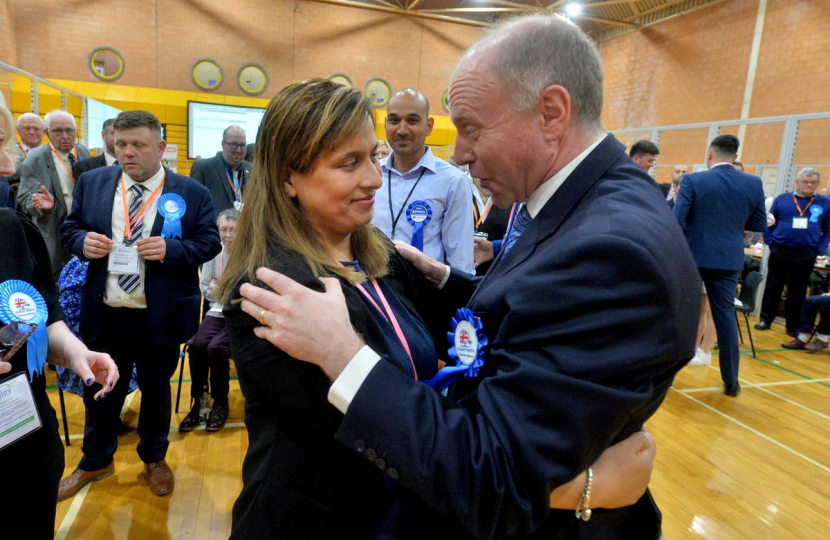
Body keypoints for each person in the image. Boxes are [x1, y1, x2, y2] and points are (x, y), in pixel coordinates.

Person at [237, 15, 700, 540]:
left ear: (552, 113)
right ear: (288, 178)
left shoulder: (608, 246)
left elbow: (484, 461)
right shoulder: (275, 287)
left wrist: (345, 352)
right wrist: (581, 486)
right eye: (350, 163)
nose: (458, 152)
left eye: (473, 128)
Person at [58, 110, 221, 500]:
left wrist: (173, 249)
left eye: (138, 145)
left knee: (156, 389)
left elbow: (210, 242)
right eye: (120, 144)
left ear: (161, 148)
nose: (127, 152)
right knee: (100, 389)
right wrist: (82, 243)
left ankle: (154, 458)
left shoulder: (190, 192)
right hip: (106, 311)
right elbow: (70, 227)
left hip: (160, 314)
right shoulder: (92, 182)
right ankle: (96, 459)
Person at [0, 119, 119, 540]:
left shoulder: (11, 229)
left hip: (23, 433)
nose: (8, 166)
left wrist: (74, 352)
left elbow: (41, 319)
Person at [674, 135, 766, 396]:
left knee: (682, 315)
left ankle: (666, 375)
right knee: (725, 318)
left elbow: (677, 220)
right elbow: (759, 224)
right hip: (728, 259)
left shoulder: (694, 180)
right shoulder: (753, 182)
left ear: (710, 154)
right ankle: (732, 381)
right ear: (735, 157)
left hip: (694, 258)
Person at [372, 89, 475, 273]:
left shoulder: (453, 181)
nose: (402, 130)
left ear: (429, 126)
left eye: (412, 120)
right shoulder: (371, 173)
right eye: (394, 120)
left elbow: (461, 263)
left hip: (424, 295)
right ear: (386, 123)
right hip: (371, 290)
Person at [179, 208, 239, 433]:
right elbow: (206, 288)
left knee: (216, 348)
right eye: (224, 229)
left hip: (240, 313)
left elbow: (245, 292)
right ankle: (199, 400)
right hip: (217, 310)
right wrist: (224, 290)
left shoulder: (248, 253)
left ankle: (220, 402)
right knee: (196, 345)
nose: (228, 235)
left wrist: (221, 287)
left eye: (233, 230)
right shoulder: (215, 254)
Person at [17, 110, 91, 279]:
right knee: (55, 279)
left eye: (70, 130)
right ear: (47, 133)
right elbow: (24, 199)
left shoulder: (83, 152)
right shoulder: (34, 161)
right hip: (55, 228)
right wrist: (40, 204)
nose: (65, 136)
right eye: (58, 131)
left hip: (84, 227)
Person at [756, 168, 830, 335]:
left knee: (798, 290)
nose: (809, 185)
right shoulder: (782, 200)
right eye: (805, 181)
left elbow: (828, 229)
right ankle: (765, 319)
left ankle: (792, 326)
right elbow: (768, 222)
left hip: (806, 253)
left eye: (813, 182)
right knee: (773, 286)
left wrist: (817, 248)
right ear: (797, 182)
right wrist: (770, 241)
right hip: (780, 250)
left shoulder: (825, 203)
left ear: (818, 183)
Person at [190, 125, 252, 215]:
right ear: (223, 144)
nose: (238, 150)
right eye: (234, 144)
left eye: (242, 145)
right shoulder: (203, 168)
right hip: (215, 227)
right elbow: (193, 204)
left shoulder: (253, 170)